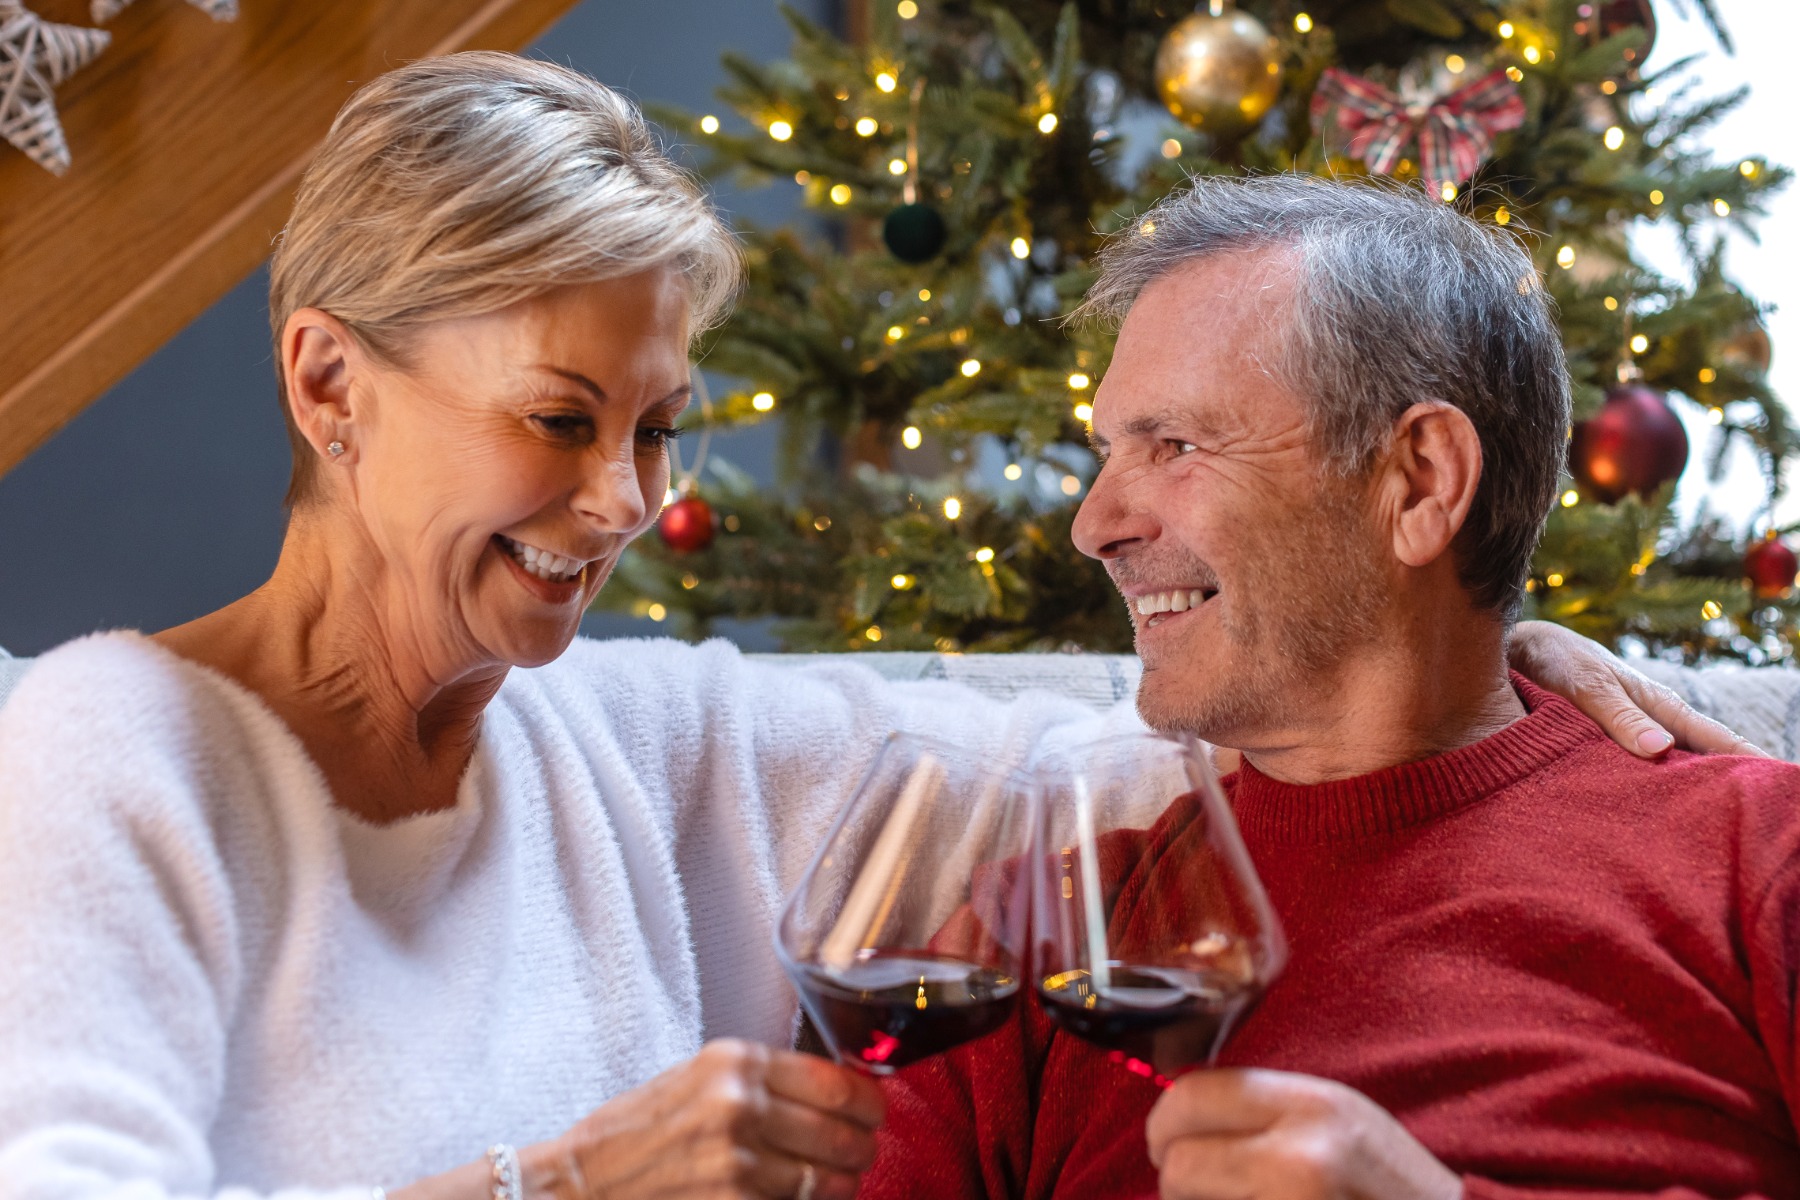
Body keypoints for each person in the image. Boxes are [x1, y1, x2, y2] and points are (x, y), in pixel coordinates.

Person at [0, 56, 1745, 1200]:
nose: (622, 504)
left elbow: (1151, 735)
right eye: (557, 419)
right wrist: (562, 1186)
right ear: (328, 382)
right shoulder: (110, 754)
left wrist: (1500, 656)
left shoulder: (644, 740)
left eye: (661, 429)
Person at [861, 175, 1800, 1200]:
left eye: (1175, 445)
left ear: (1421, 481)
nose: (1095, 525)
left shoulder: (1756, 853)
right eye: (1108, 450)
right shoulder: (1053, 926)